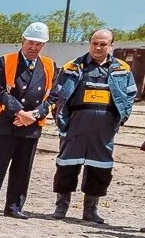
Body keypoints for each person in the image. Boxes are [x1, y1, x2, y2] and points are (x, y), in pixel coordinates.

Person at [49, 29, 138, 224]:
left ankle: (90, 210)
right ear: (90, 43)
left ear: (111, 46)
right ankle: (61, 207)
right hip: (75, 127)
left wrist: (121, 118)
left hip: (104, 130)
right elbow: (56, 94)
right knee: (66, 165)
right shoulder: (72, 67)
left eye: (103, 44)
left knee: (100, 168)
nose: (98, 47)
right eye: (95, 43)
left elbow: (131, 95)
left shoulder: (122, 69)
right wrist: (61, 120)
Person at [0, 22, 55, 221]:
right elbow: (0, 92)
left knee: (23, 168)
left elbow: (53, 96)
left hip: (32, 125)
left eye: (39, 44)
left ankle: (14, 206)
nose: (34, 47)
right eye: (31, 43)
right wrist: (19, 113)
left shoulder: (49, 65)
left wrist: (33, 115)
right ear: (22, 40)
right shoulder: (5, 61)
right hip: (7, 123)